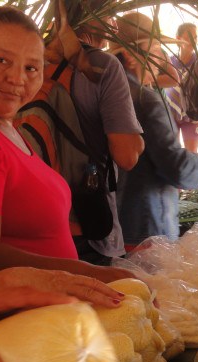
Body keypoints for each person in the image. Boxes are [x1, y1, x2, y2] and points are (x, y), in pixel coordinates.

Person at [0, 6, 133, 282]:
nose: (17, 78)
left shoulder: (2, 125)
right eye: (1, 61)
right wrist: (92, 275)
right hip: (12, 318)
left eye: (32, 67)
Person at [112, 12, 198, 248]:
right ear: (130, 56)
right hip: (148, 227)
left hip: (117, 224)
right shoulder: (145, 100)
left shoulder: (109, 93)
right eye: (156, 50)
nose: (161, 59)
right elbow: (176, 167)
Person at [56, 0, 145, 266]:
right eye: (109, 15)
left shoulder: (32, 58)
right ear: (87, 14)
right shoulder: (101, 65)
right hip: (86, 222)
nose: (114, 25)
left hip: (35, 218)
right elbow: (127, 155)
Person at [164, 23, 198, 152]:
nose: (193, 41)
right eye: (189, 37)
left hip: (192, 115)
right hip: (171, 113)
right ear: (178, 38)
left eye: (195, 37)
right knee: (173, 153)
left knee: (192, 154)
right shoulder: (169, 61)